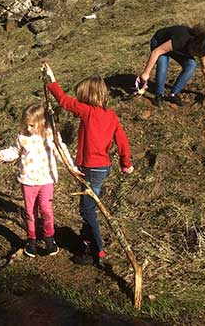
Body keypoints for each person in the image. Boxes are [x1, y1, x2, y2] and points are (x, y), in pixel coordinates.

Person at [43, 62, 133, 267]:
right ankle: (86, 240)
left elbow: (64, 101)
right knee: (89, 204)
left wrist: (52, 80)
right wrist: (125, 163)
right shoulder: (110, 115)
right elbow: (122, 140)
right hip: (102, 167)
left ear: (88, 96)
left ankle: (97, 250)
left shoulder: (87, 111)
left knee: (87, 209)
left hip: (92, 168)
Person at [0, 104, 76, 258]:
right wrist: (4, 155)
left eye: (32, 125)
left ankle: (49, 238)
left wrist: (72, 167)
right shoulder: (22, 137)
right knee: (30, 211)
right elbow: (15, 151)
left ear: (42, 122)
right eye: (27, 125)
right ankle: (31, 239)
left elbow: (62, 151)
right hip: (28, 180)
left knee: (46, 210)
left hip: (46, 180)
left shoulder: (51, 135)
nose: (29, 128)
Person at [136, 25, 205, 107]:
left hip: (175, 47)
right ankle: (159, 95)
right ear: (191, 44)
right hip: (159, 43)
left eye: (196, 54)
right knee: (163, 65)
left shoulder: (202, 47)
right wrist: (146, 73)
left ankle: (173, 94)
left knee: (191, 65)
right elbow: (156, 52)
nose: (193, 55)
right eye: (193, 52)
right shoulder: (181, 39)